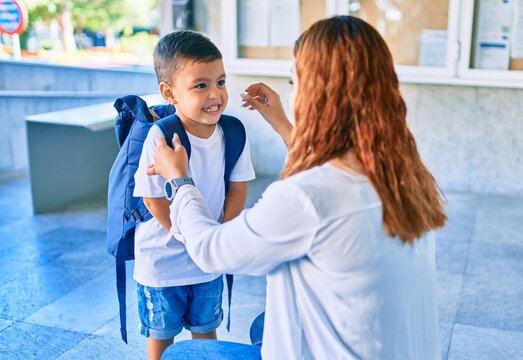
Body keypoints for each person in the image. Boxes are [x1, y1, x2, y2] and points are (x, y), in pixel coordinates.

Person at [148, 16, 446, 359]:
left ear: (318, 95)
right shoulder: (403, 174)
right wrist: (281, 123)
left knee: (179, 355)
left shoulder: (308, 197)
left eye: (295, 82)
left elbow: (210, 250)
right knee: (266, 322)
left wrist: (180, 179)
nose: (293, 94)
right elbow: (330, 169)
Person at [133, 30, 255, 360]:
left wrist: (218, 236)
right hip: (162, 262)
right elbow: (151, 198)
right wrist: (185, 233)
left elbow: (238, 186)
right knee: (161, 334)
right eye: (201, 85)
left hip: (209, 262)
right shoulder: (161, 136)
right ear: (169, 92)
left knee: (205, 331)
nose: (215, 93)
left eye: (220, 81)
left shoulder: (233, 132)